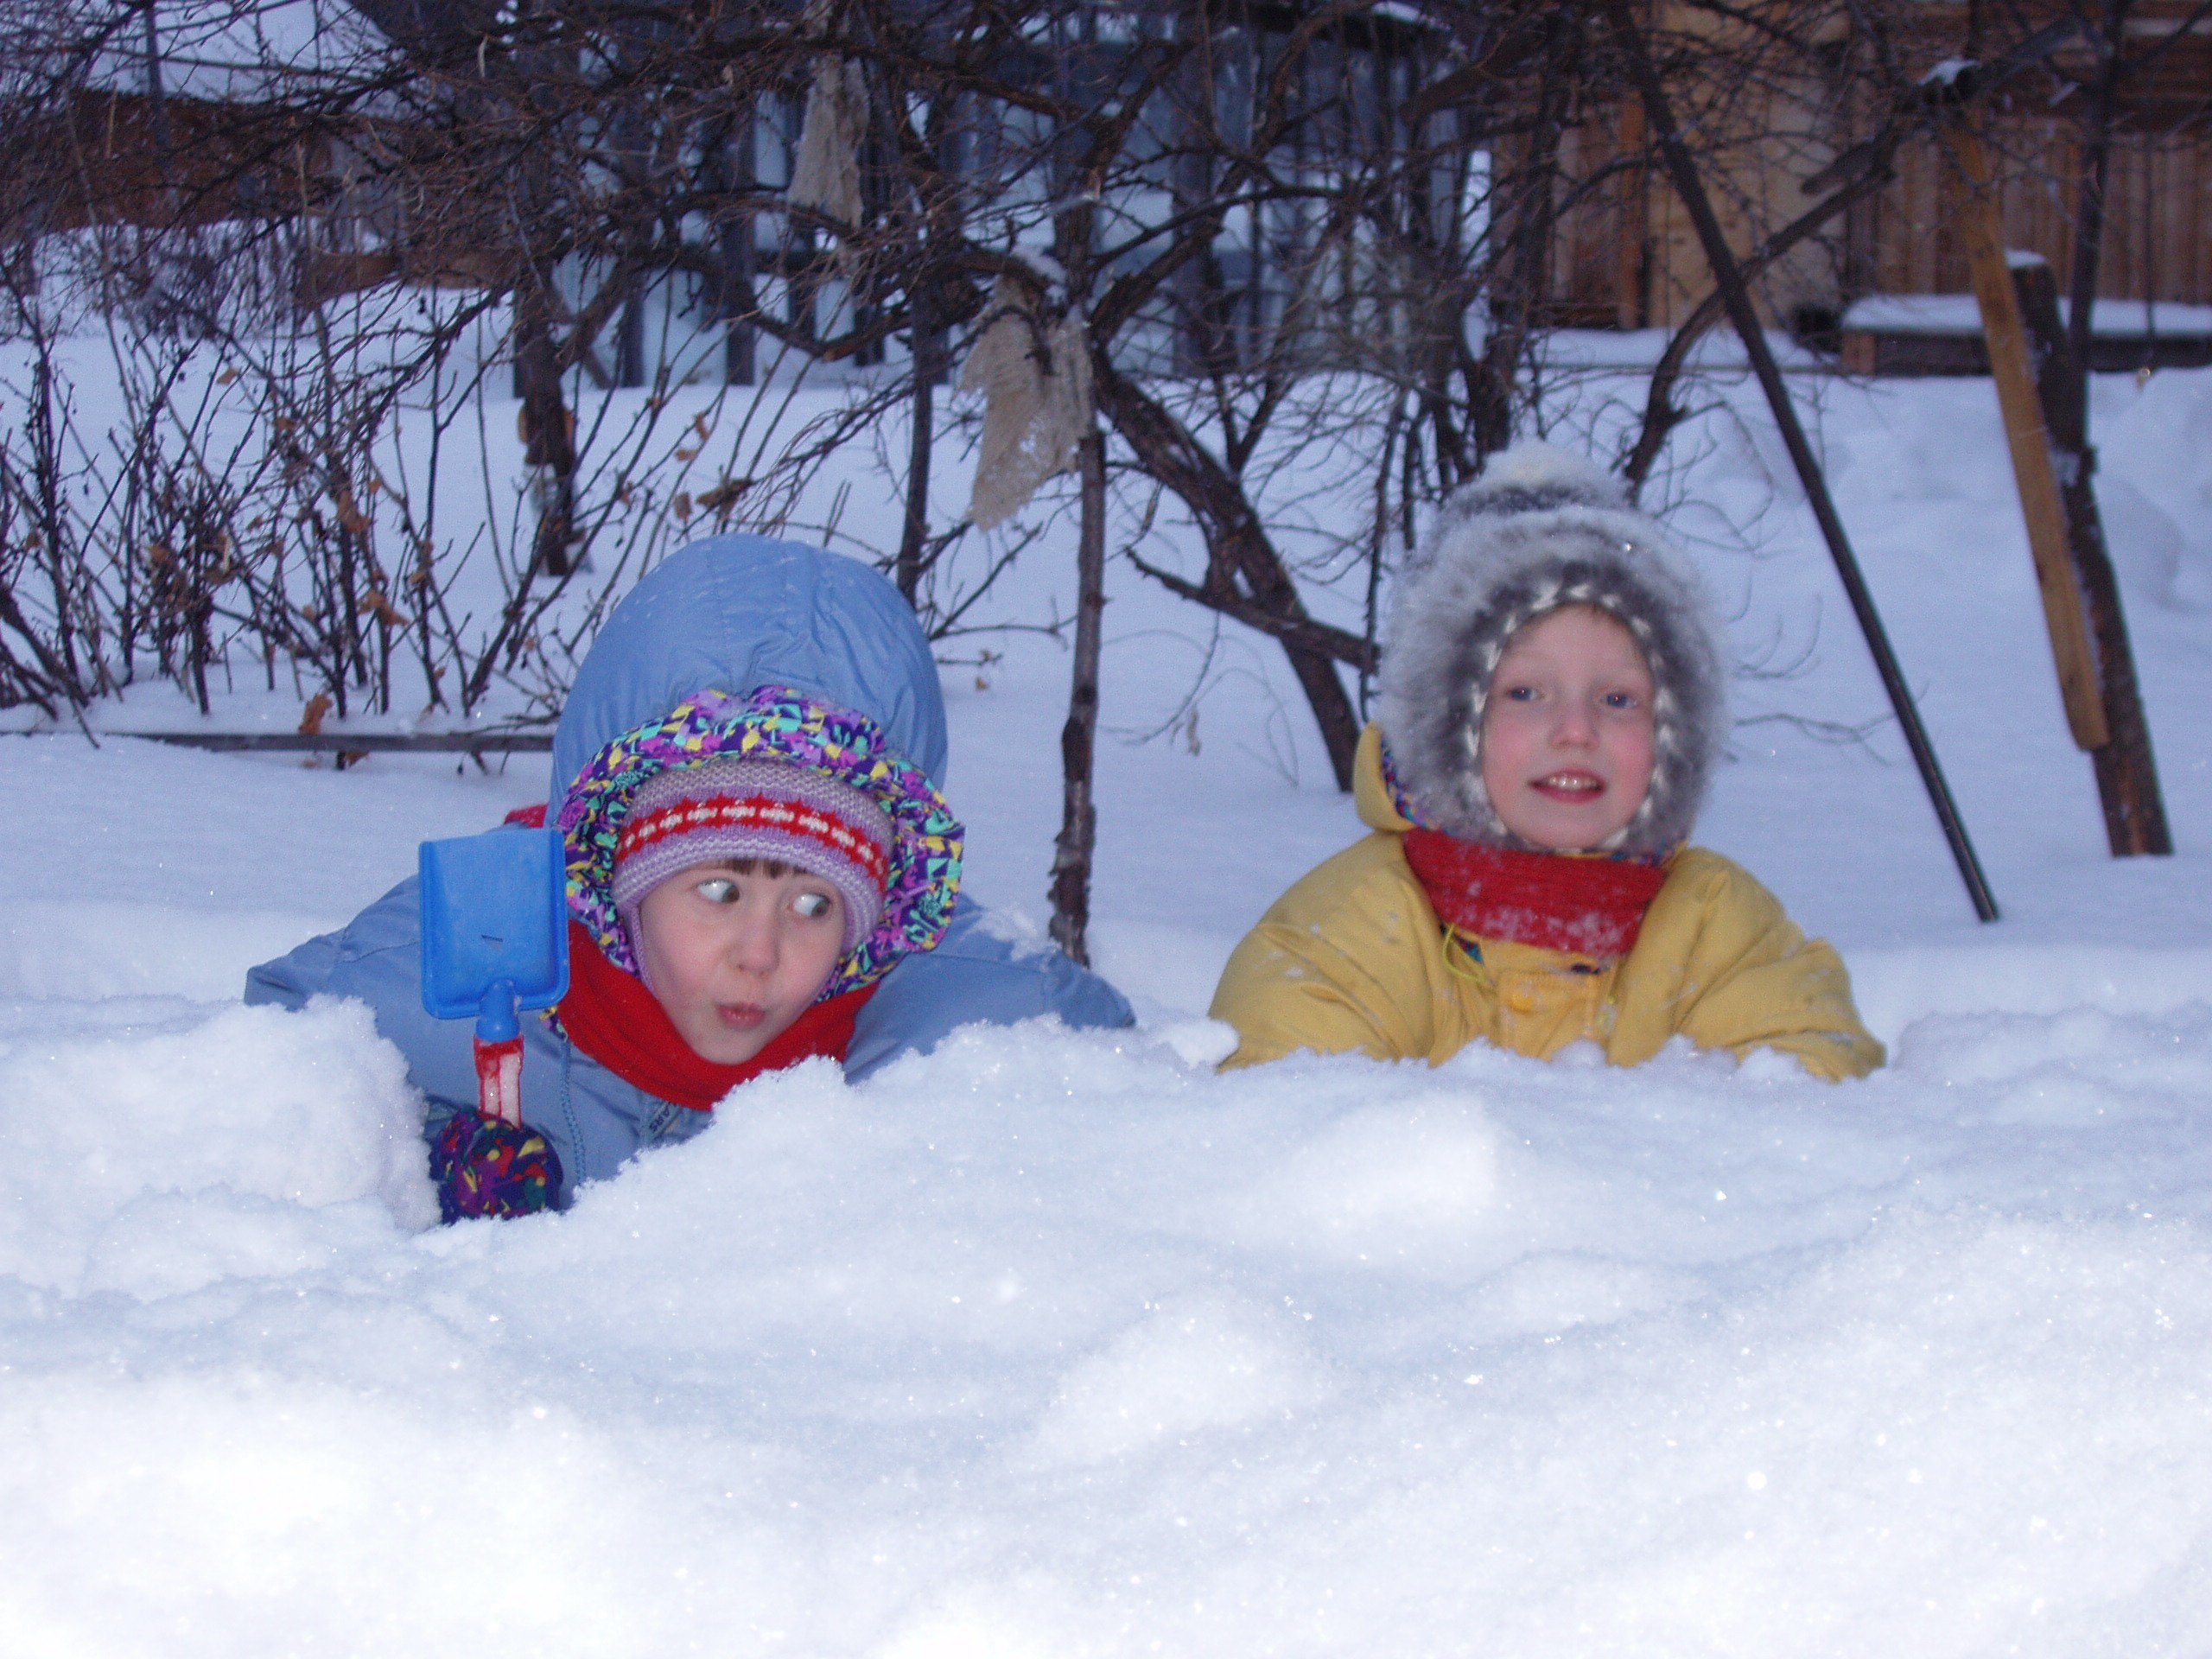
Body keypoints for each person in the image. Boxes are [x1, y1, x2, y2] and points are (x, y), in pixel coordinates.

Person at [248, 536, 1132, 1218]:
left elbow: (1143, 1106)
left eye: (816, 904)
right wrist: (413, 1167)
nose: (761, 953)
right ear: (621, 877)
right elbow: (255, 1076)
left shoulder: (959, 1013)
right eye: (719, 890)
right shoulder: (457, 969)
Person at [1208, 442, 1882, 1081]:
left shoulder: (1720, 929)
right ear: (1448, 725)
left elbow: (1810, 1097)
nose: (1576, 730)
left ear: (1673, 736)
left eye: (1618, 698)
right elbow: (1293, 1132)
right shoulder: (1344, 938)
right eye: (1524, 693)